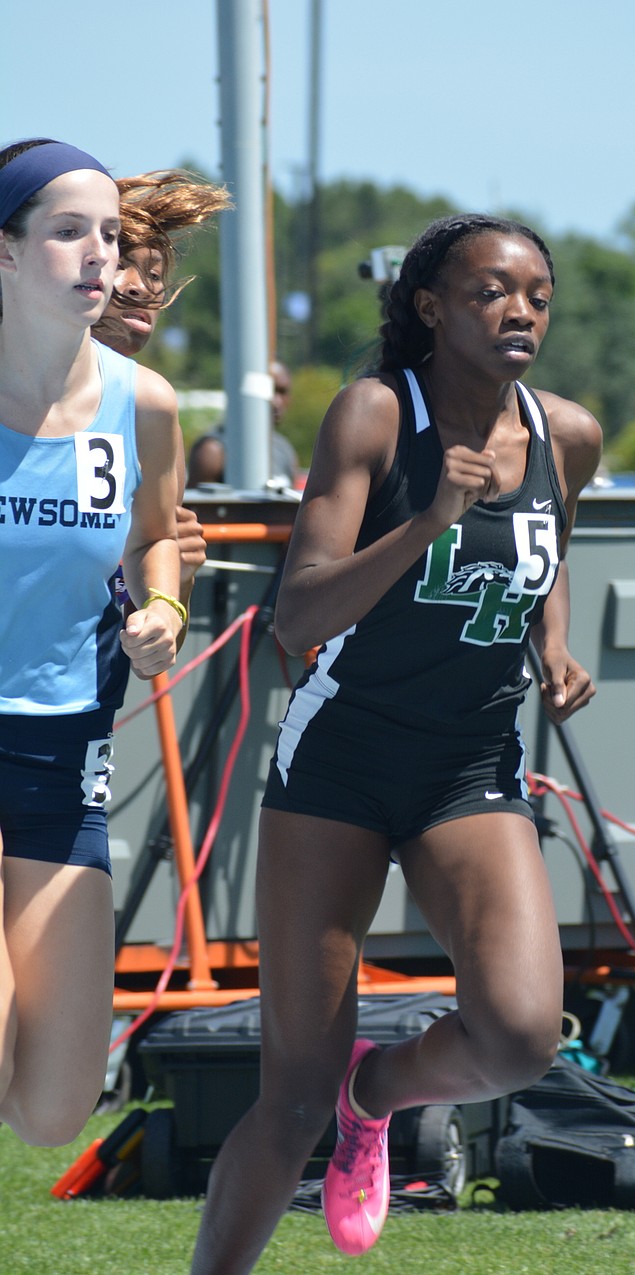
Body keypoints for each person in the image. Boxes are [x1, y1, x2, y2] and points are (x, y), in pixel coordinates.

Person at [190, 212, 602, 1272]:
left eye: (536, 296)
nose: (519, 312)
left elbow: (547, 546)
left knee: (517, 1036)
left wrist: (551, 643)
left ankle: (375, 1092)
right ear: (430, 307)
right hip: (340, 763)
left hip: (468, 764)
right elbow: (297, 619)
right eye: (489, 292)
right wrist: (425, 525)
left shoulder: (566, 434)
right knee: (289, 1098)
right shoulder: (377, 414)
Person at [0, 138, 183, 1146]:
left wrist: (164, 610)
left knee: (54, 1108)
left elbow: (161, 537)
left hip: (64, 749)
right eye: (69, 231)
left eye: (109, 235)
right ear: (7, 253)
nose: (98, 256)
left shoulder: (140, 403)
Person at [93, 169, 232, 612]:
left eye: (155, 274)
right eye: (120, 264)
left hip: (97, 677)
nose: (141, 286)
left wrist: (176, 587)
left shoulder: (152, 411)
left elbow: (151, 659)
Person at [186, 358, 299, 488]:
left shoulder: (284, 449)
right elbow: (196, 507)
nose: (276, 402)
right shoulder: (213, 451)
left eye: (282, 392)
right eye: (270, 390)